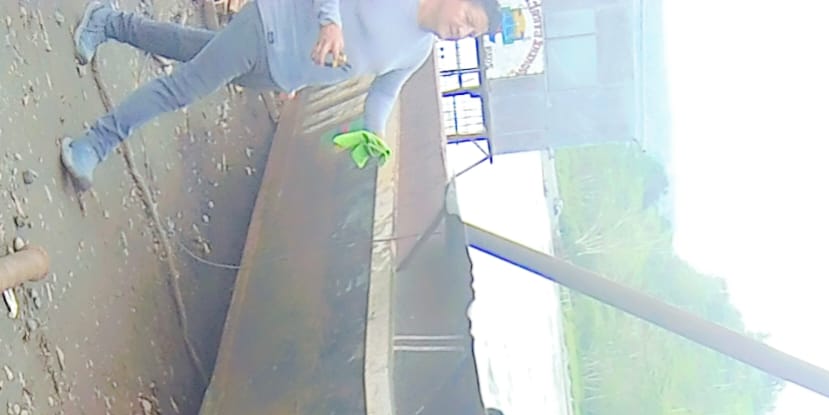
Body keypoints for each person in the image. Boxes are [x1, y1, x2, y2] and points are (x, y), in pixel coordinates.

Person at [60, 0, 502, 192]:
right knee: (182, 88)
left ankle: (108, 22)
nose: (461, 32)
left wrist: (374, 133)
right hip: (269, 25)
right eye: (468, 18)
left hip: (277, 72)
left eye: (471, 34)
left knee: (193, 49)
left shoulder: (419, 50)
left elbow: (384, 92)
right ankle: (94, 143)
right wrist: (330, 21)